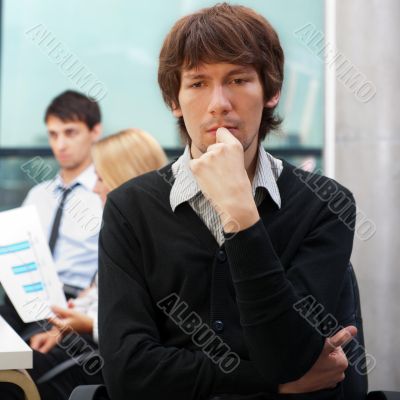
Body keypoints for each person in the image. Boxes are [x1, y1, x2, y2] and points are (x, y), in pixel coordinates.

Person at [98, 3, 366, 400]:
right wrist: (274, 383)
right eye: (197, 83)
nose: (219, 103)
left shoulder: (324, 204)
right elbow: (128, 372)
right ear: (175, 100)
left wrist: (241, 212)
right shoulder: (129, 209)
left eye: (238, 79)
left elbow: (287, 353)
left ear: (271, 92)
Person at [0, 128, 167, 400]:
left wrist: (87, 324)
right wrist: (62, 327)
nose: (94, 187)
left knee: (12, 379)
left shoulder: (157, 245)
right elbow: (99, 297)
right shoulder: (126, 234)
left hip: (103, 358)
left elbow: (148, 326)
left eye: (101, 177)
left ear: (124, 179)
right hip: (80, 338)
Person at [0, 90, 103, 335]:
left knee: (30, 360)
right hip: (23, 299)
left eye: (70, 133)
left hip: (73, 303)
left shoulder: (105, 194)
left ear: (95, 131)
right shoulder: (38, 194)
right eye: (53, 134)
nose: (60, 145)